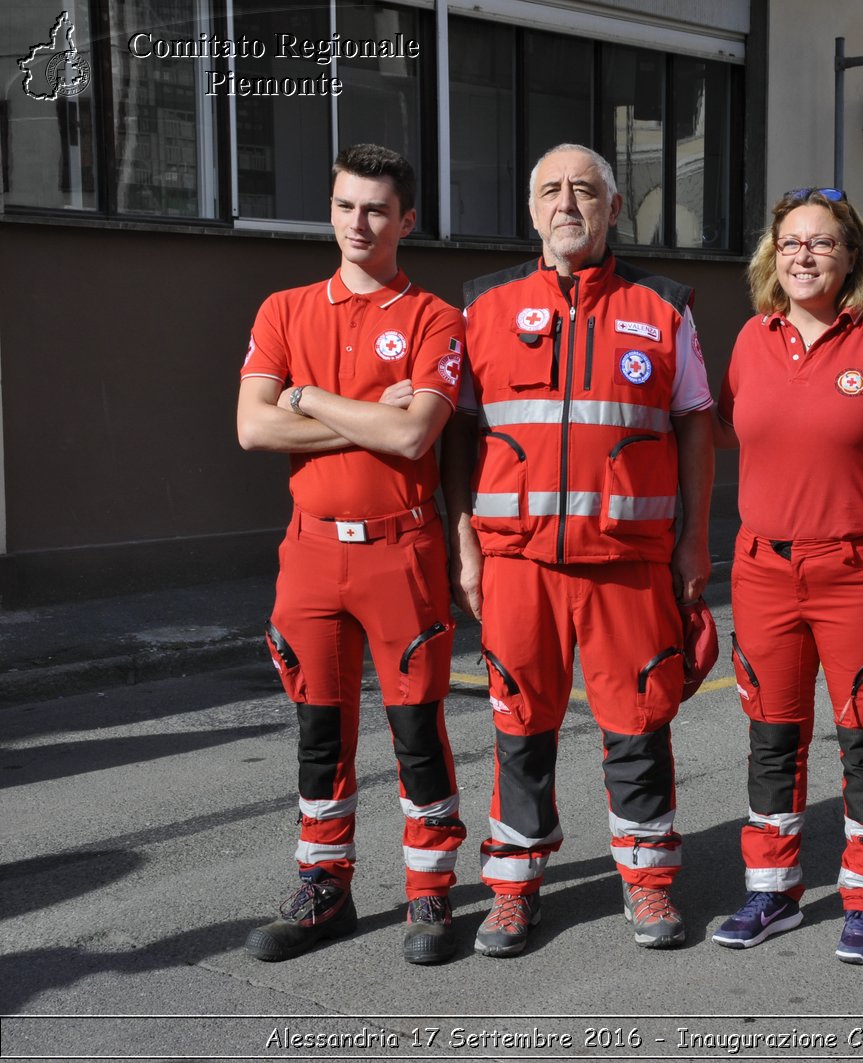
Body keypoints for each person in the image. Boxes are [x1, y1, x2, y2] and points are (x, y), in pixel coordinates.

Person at [441, 143, 714, 957]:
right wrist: (464, 544)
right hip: (518, 562)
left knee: (638, 724)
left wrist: (695, 539)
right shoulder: (483, 304)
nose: (568, 203)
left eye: (585, 190)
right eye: (551, 191)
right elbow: (456, 435)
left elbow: (698, 420)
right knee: (520, 726)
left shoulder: (663, 306)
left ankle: (648, 878)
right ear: (532, 211)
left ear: (613, 208)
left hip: (628, 565)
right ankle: (513, 888)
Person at [236, 144, 466, 966]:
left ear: (407, 219)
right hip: (308, 554)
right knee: (319, 732)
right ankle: (323, 884)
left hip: (400, 550)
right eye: (344, 206)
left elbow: (414, 434)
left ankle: (431, 889)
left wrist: (307, 396)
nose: (358, 223)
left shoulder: (437, 317)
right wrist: (361, 413)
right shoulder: (283, 309)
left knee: (416, 730)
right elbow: (253, 426)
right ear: (328, 210)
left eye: (376, 209)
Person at [710, 188, 863, 963]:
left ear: (851, 256)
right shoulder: (753, 340)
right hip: (763, 568)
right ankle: (773, 889)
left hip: (858, 568)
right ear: (772, 256)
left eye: (821, 243)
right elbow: (721, 425)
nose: (803, 256)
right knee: (772, 738)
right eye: (790, 243)